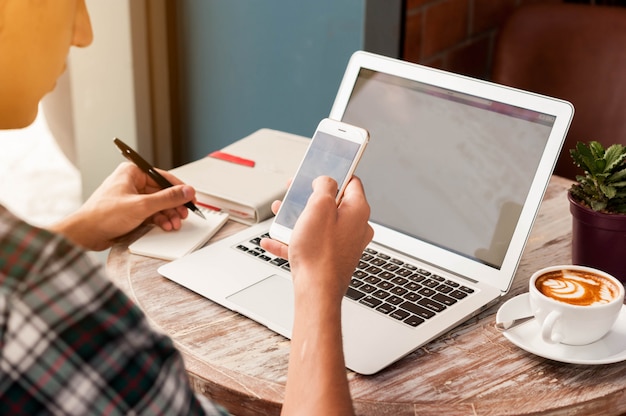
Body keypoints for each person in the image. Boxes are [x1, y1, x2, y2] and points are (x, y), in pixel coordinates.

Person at [0, 1, 373, 415]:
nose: (84, 34)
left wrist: (79, 229)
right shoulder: (28, 299)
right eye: (70, 5)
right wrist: (322, 282)